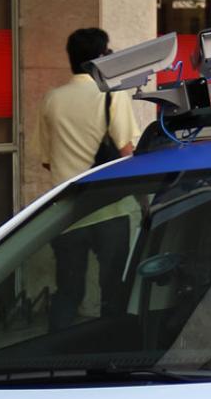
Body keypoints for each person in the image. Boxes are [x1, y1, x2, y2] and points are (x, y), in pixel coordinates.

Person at [36, 28, 139, 329]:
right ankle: (110, 356)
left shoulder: (51, 99)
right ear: (100, 58)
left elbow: (45, 160)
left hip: (68, 211)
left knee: (67, 291)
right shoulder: (113, 94)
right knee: (113, 291)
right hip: (111, 208)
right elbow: (126, 152)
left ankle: (54, 358)